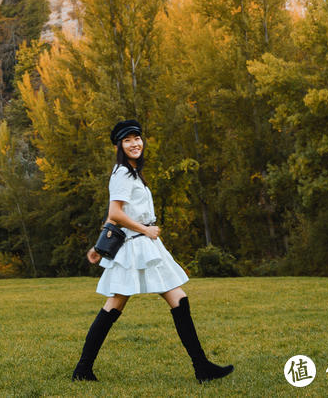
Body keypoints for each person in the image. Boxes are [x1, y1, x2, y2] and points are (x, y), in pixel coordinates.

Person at [72, 118, 233, 385]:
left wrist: (98, 247)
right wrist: (146, 230)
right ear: (119, 146)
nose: (134, 143)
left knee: (177, 299)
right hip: (137, 245)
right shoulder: (122, 173)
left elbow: (115, 215)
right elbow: (115, 213)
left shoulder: (132, 173)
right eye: (127, 140)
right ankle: (83, 369)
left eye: (137, 138)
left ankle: (201, 366)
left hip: (144, 244)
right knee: (116, 304)